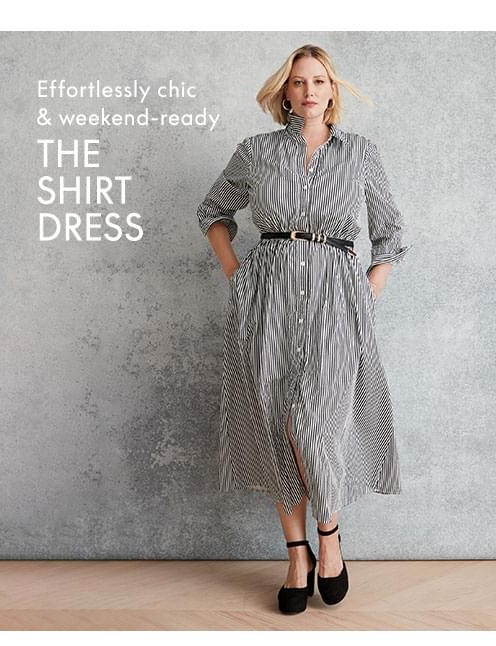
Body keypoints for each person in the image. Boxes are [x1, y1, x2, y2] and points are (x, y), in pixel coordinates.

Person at [196, 44, 412, 614]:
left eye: (318, 81)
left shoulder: (360, 152)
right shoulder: (256, 151)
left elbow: (391, 232)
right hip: (267, 299)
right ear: (285, 93)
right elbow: (213, 211)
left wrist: (371, 287)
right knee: (275, 422)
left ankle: (329, 535)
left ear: (332, 90)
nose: (309, 91)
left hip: (337, 301)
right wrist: (238, 276)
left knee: (316, 423)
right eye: (298, 82)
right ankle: (298, 555)